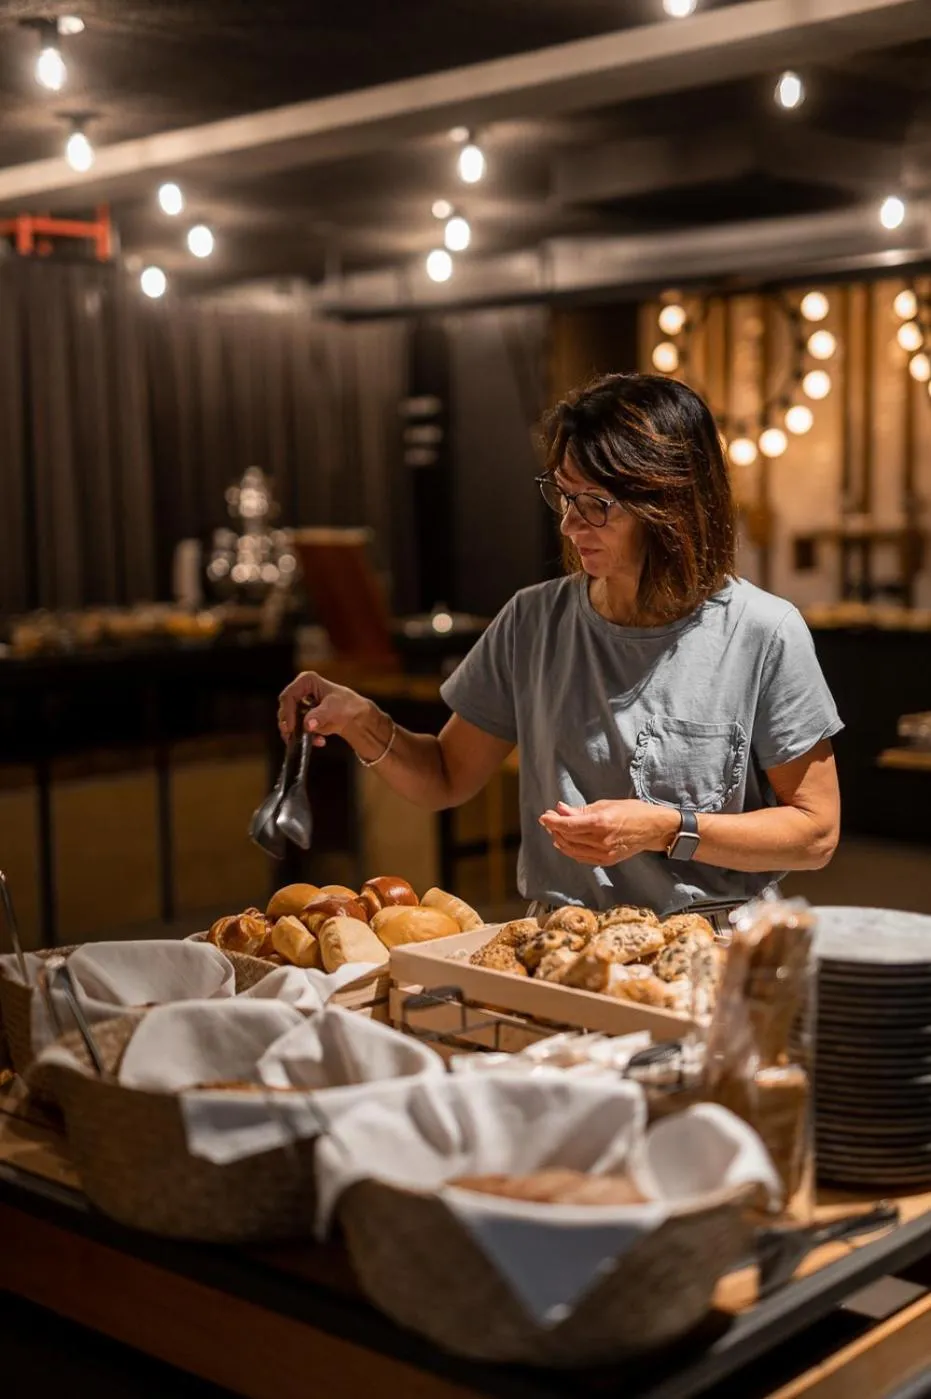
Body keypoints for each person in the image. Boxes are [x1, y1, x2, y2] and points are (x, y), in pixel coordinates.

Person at [279, 373, 842, 918]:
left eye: (595, 504)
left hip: (712, 945)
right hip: (563, 943)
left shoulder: (762, 633)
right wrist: (362, 720)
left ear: (668, 506)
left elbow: (815, 833)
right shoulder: (533, 620)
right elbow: (446, 775)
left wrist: (666, 828)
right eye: (563, 496)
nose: (571, 526)